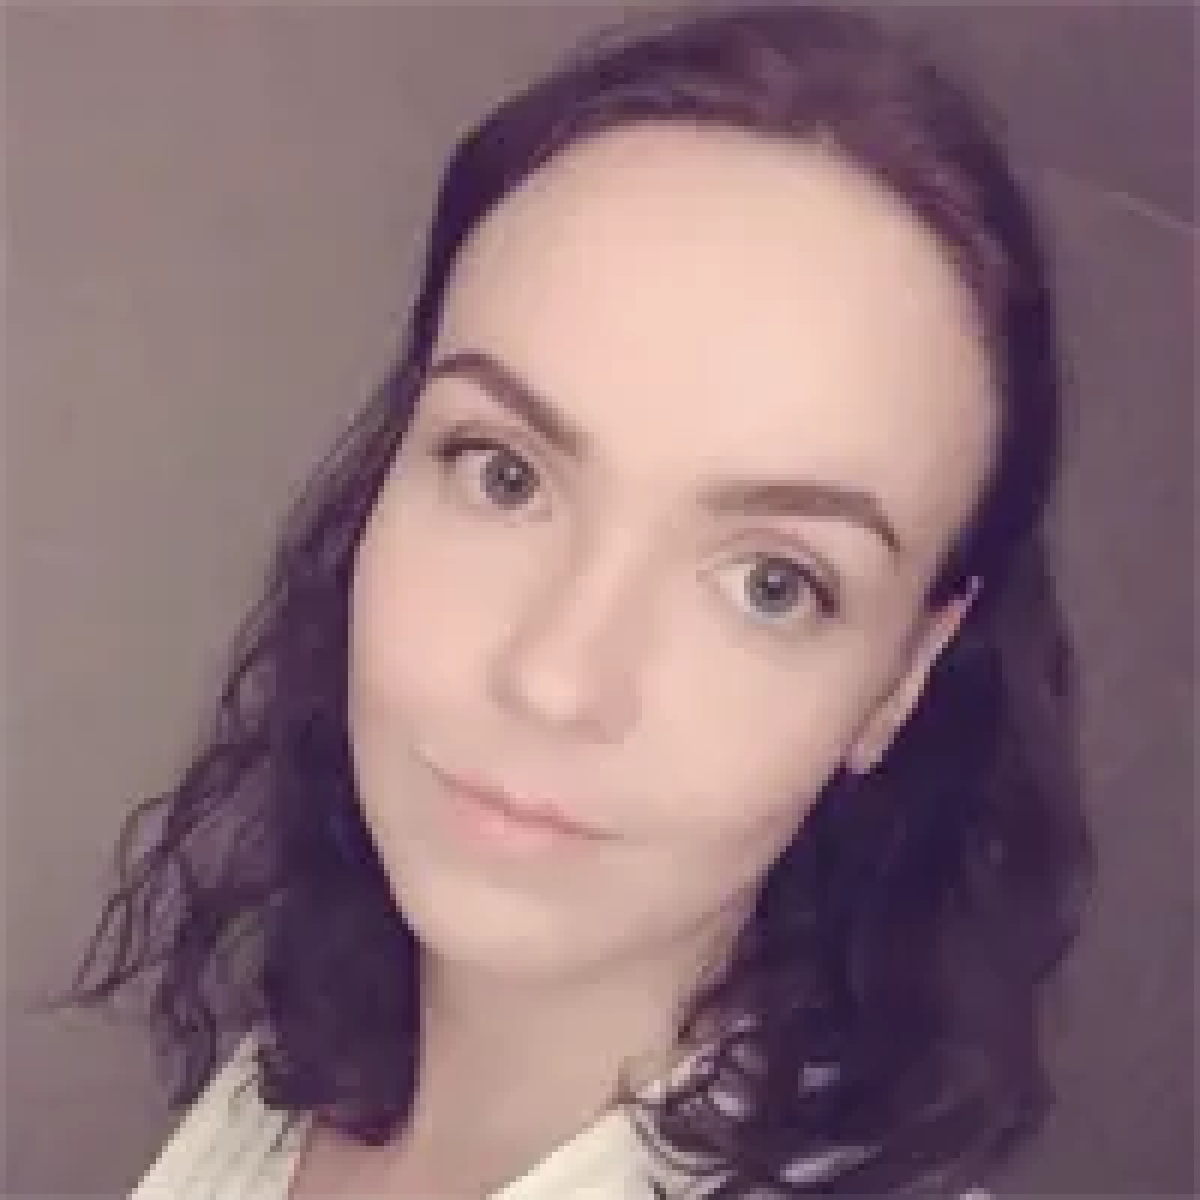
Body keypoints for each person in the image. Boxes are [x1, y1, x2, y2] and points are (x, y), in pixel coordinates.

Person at [57, 3, 1094, 1196]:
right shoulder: (284, 1079)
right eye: (503, 474)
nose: (555, 678)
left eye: (771, 585)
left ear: (902, 678)